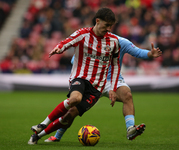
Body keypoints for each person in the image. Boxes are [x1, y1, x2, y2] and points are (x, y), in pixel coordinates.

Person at [28, 7, 121, 145]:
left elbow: (115, 66)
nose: (108, 28)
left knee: (69, 116)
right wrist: (59, 48)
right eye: (106, 25)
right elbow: (67, 41)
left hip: (97, 88)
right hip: (81, 77)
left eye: (110, 26)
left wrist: (112, 88)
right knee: (75, 99)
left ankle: (38, 135)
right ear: (97, 21)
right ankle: (43, 123)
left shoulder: (114, 41)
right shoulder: (83, 34)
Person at [43, 35, 162, 142]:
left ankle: (130, 129)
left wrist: (150, 54)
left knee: (127, 95)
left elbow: (138, 52)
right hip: (93, 81)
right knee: (72, 111)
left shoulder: (121, 42)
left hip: (112, 80)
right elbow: (75, 60)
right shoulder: (90, 41)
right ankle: (57, 136)